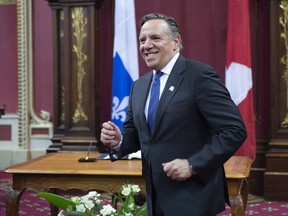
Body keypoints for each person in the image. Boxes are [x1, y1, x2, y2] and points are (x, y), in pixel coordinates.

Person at [100, 13, 247, 216]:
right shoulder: (139, 86)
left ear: (175, 42)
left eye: (155, 38)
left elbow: (235, 130)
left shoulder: (199, 76)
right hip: (155, 194)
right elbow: (138, 135)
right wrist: (118, 140)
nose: (146, 45)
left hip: (194, 194)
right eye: (142, 40)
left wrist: (193, 164)